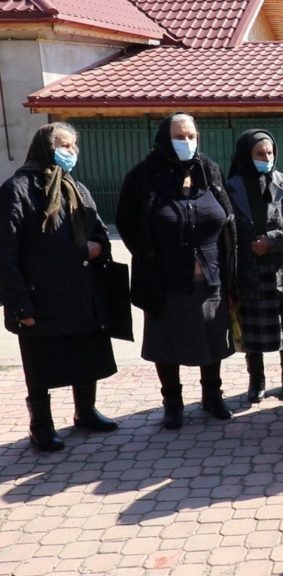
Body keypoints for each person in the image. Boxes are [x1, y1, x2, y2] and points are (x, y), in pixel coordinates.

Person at [0, 122, 119, 451]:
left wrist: (97, 248)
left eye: (74, 146)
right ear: (44, 148)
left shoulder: (76, 187)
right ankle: (41, 425)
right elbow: (5, 253)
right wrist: (20, 304)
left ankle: (85, 412)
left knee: (85, 353)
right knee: (40, 362)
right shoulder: (19, 189)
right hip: (42, 295)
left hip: (82, 290)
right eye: (64, 146)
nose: (71, 152)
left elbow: (98, 231)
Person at [117, 113, 237, 430]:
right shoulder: (143, 176)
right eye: (179, 136)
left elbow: (226, 215)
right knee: (166, 344)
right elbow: (127, 223)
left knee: (211, 339)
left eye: (191, 136)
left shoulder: (208, 170)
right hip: (164, 279)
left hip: (211, 276)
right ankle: (172, 403)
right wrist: (147, 254)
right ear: (163, 138)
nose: (187, 142)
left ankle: (213, 396)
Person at [225, 129, 283, 403]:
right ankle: (256, 380)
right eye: (260, 154)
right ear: (247, 155)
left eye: (269, 153)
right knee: (253, 334)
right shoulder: (230, 187)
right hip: (249, 270)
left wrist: (272, 240)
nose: (266, 158)